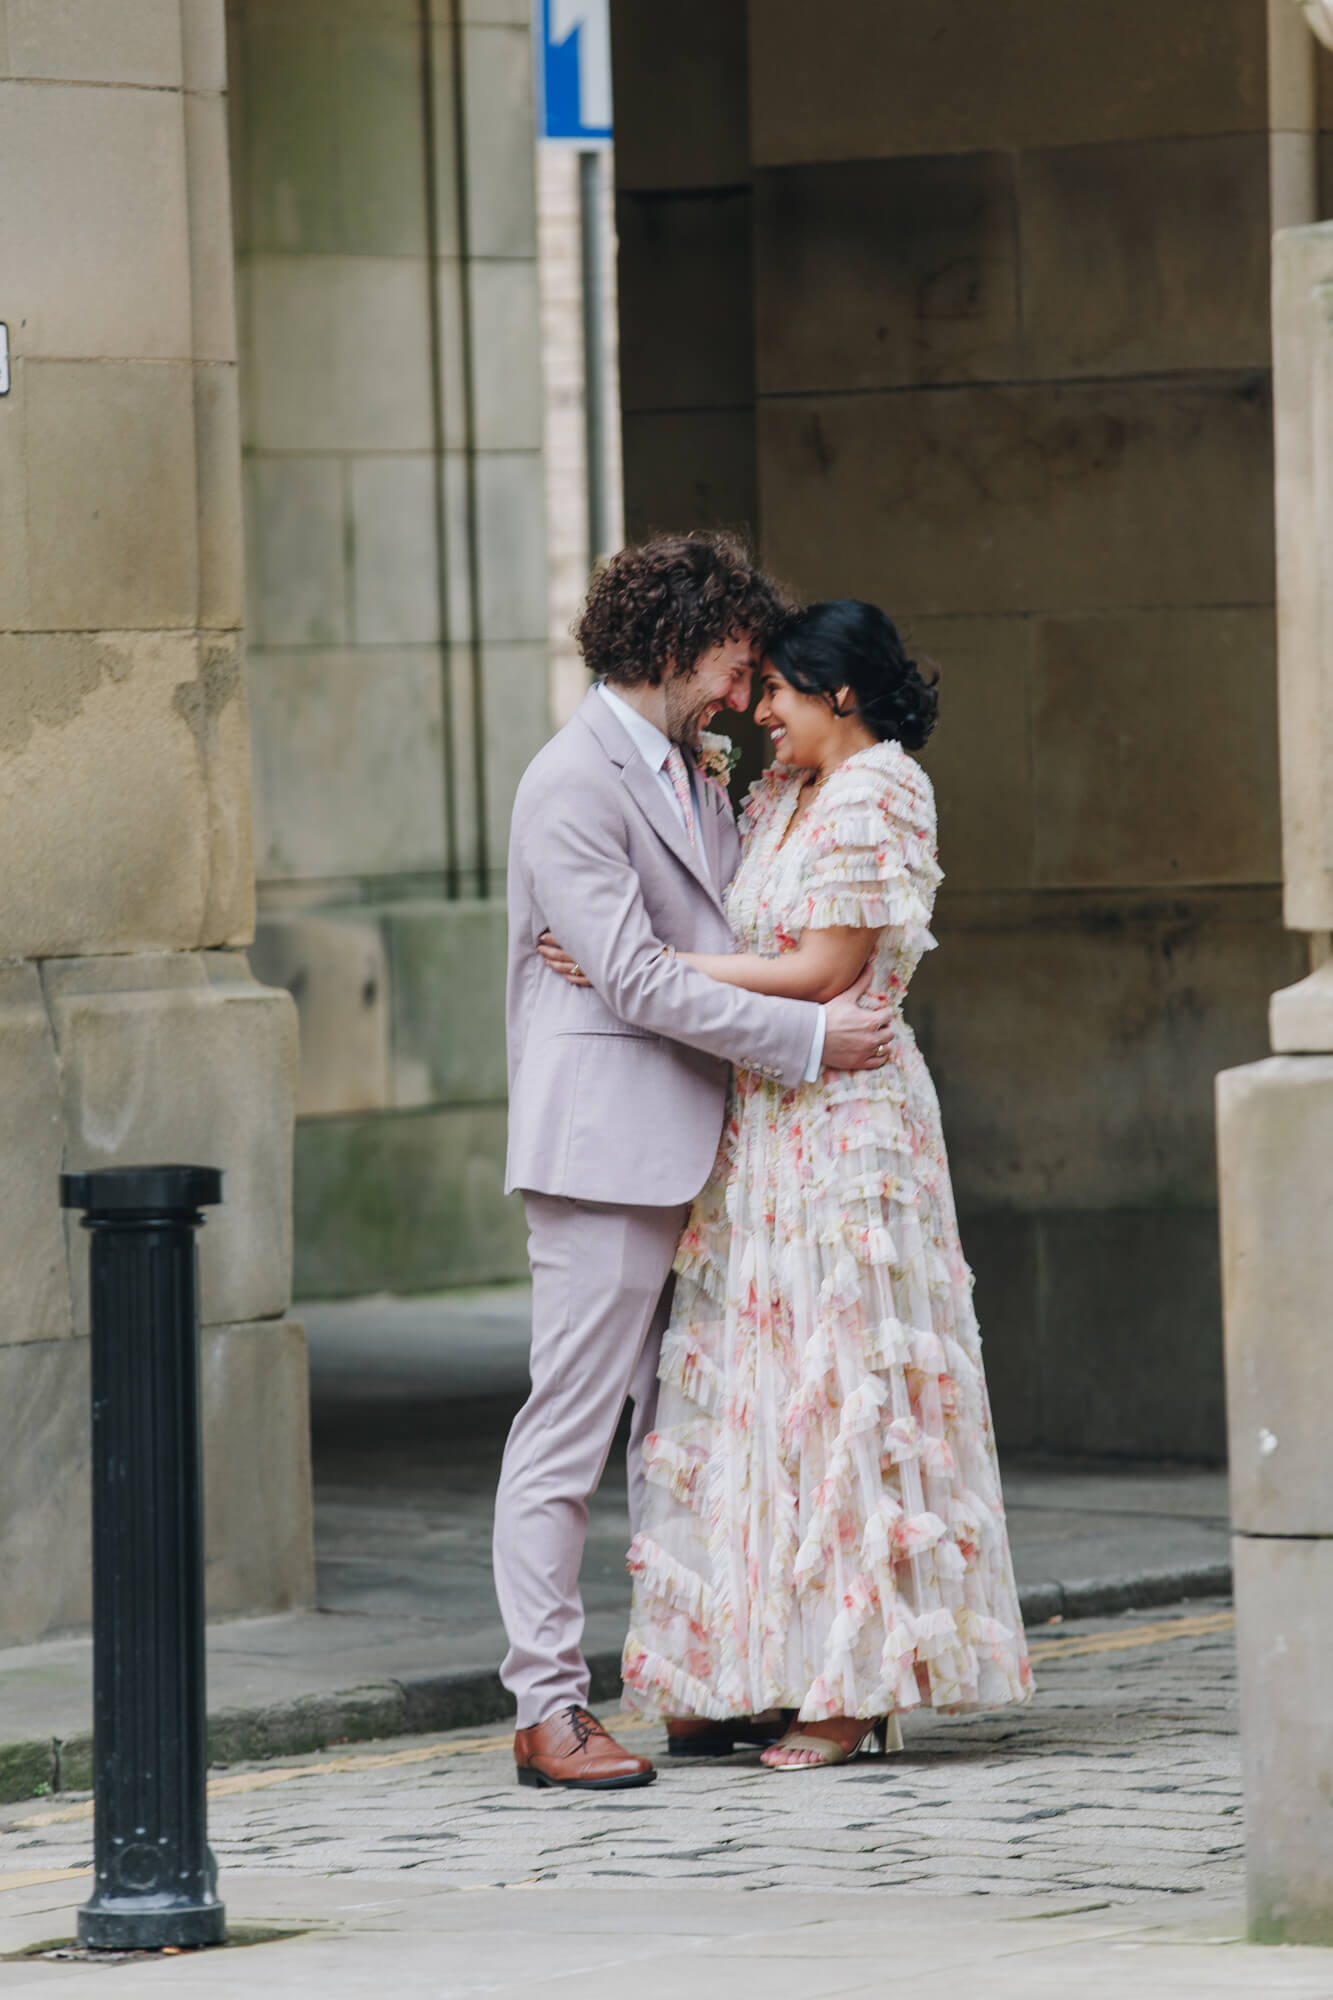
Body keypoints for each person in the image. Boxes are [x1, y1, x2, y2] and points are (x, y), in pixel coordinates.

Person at [553, 599, 1032, 1768]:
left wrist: (640, 965)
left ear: (842, 692)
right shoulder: (779, 793)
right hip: (762, 1123)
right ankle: (741, 1667)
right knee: (754, 1392)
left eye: (777, 689)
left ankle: (851, 1684)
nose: (758, 709)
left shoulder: (882, 788)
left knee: (841, 1386)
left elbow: (822, 970)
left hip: (847, 1124)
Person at [496, 537, 897, 1791]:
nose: (741, 690)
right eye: (733, 662)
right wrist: (809, 1038)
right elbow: (630, 978)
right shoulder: (570, 780)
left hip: (716, 1151)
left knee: (683, 1437)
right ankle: (546, 1708)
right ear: (673, 644)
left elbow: (723, 933)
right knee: (566, 1434)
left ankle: (691, 1681)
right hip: (605, 1147)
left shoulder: (695, 767)